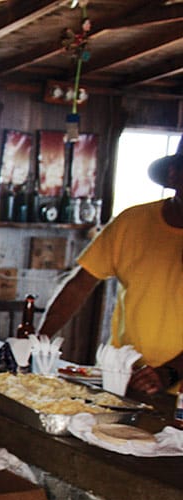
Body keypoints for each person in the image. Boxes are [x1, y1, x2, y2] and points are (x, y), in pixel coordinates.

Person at [38, 141, 183, 395]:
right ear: (174, 174)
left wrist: (169, 371)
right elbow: (79, 285)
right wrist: (39, 341)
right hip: (124, 378)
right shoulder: (132, 222)